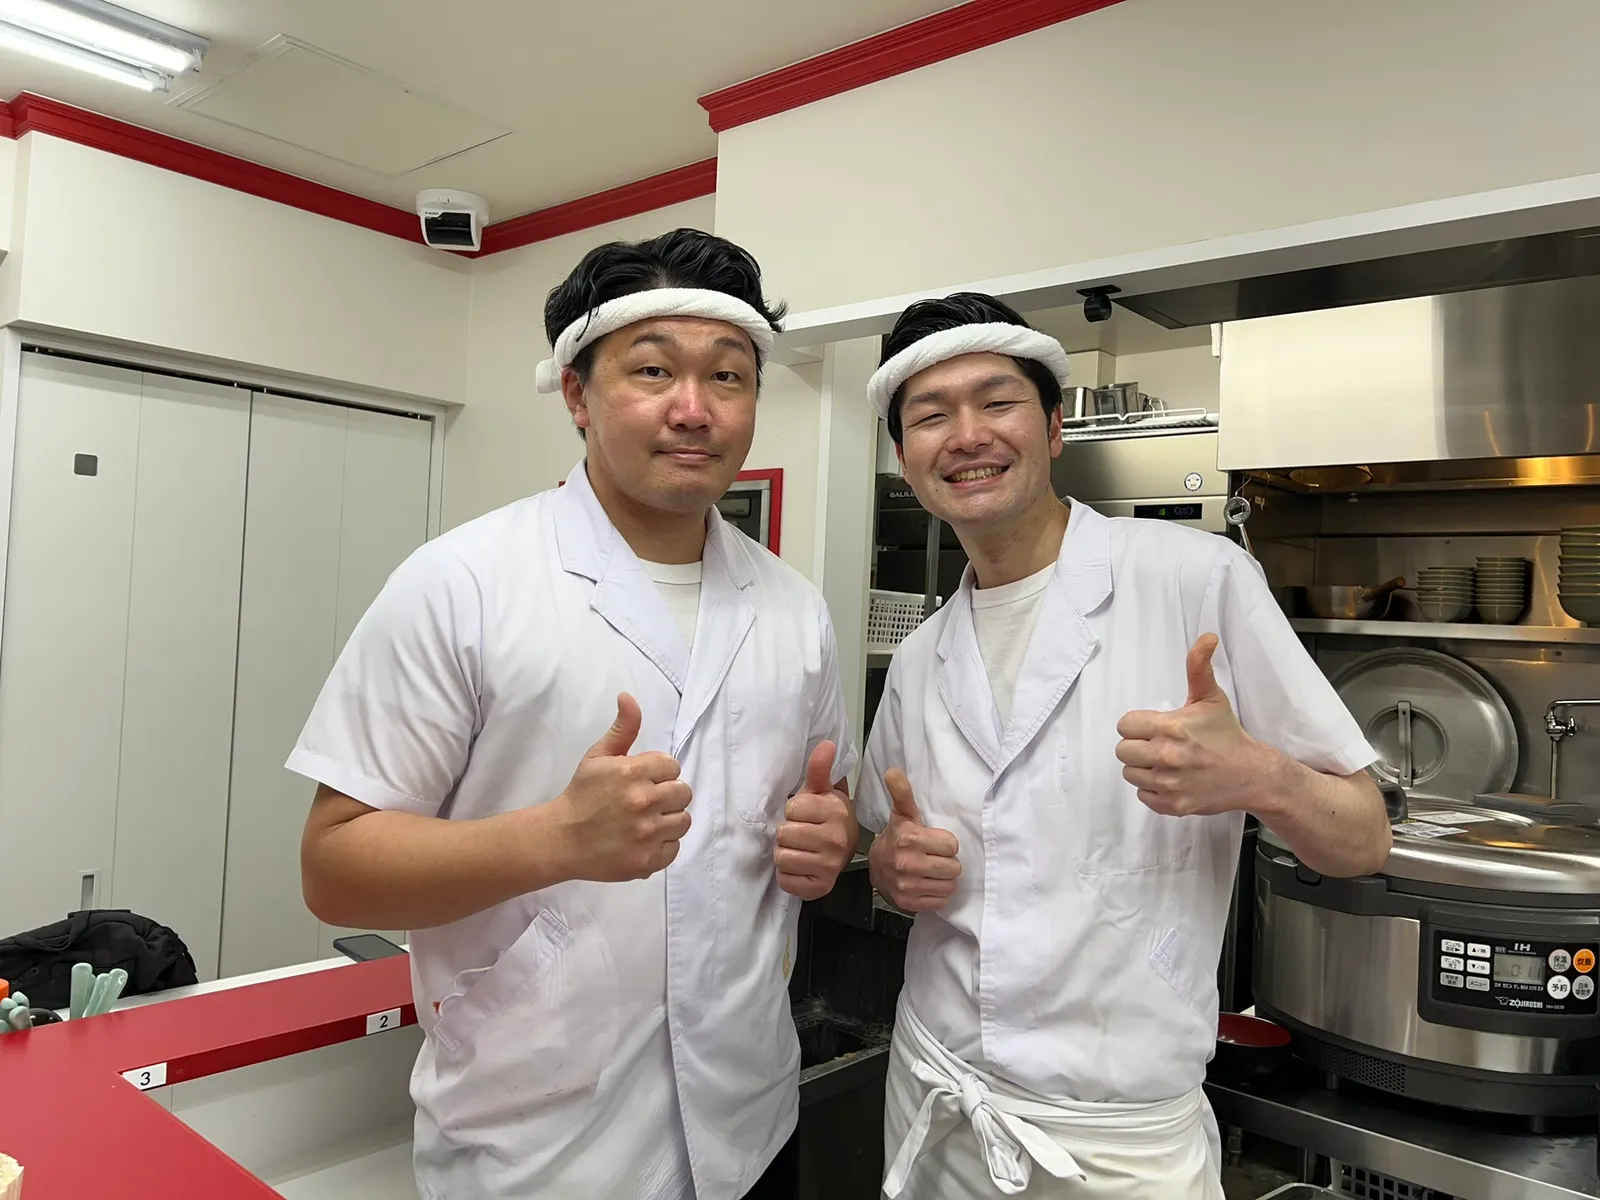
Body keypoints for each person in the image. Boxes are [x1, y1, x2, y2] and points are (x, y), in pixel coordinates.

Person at [289, 228, 860, 1200]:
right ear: (576, 395)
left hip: (751, 1124)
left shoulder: (793, 608)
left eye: (728, 376)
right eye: (653, 370)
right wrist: (554, 838)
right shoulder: (463, 584)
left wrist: (827, 838)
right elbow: (335, 869)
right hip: (538, 1149)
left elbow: (820, 799)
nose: (694, 408)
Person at [855, 292, 1391, 1198]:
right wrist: (890, 869)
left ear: (1053, 428)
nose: (968, 435)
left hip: (1118, 1143)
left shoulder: (1196, 579)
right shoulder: (920, 658)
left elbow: (1363, 838)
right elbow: (887, 847)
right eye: (931, 416)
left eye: (997, 402)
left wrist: (1259, 775)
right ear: (906, 461)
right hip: (938, 1094)